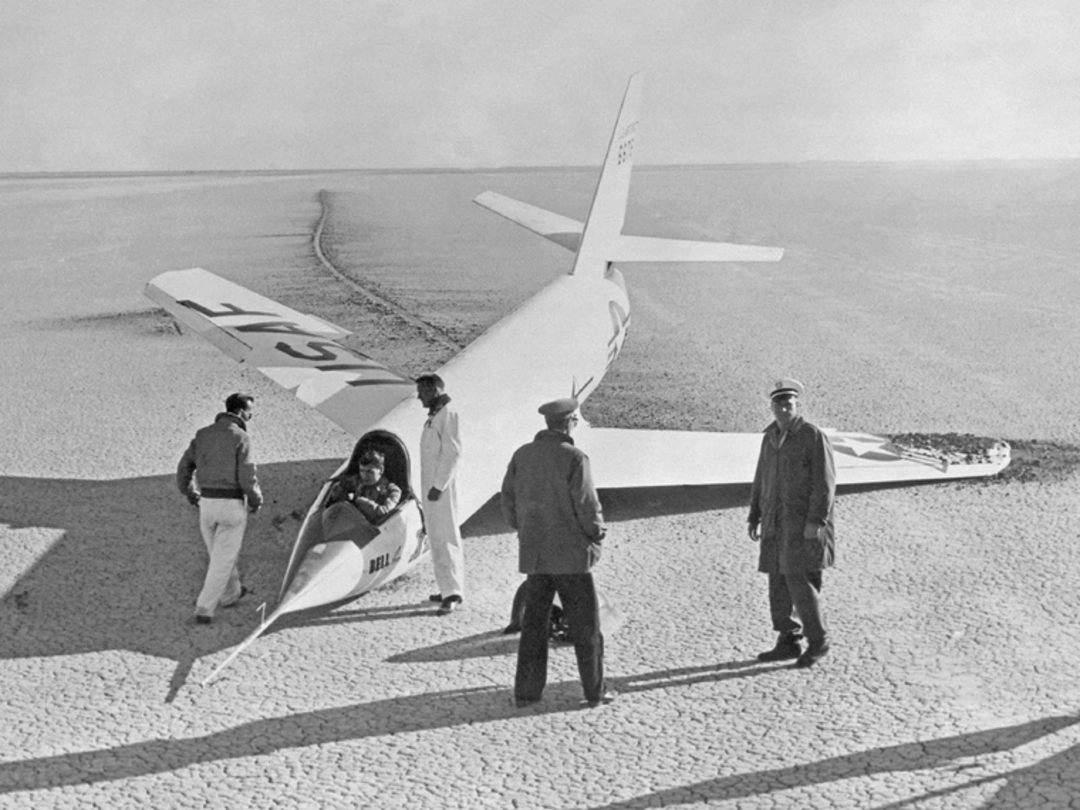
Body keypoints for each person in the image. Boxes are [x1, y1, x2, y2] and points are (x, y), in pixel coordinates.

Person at [500, 397, 615, 708]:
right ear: (569, 422)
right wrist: (596, 534)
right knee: (586, 628)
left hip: (535, 557)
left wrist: (525, 529)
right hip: (571, 558)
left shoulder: (522, 455)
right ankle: (595, 691)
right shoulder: (575, 458)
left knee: (534, 628)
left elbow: (507, 499)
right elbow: (587, 506)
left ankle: (526, 693)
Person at [747, 378, 836, 668]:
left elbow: (825, 483)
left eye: (789, 403)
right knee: (778, 581)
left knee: (800, 583)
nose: (783, 408)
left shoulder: (812, 436)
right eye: (778, 404)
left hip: (802, 525)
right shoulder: (770, 437)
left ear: (797, 405)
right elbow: (761, 477)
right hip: (775, 522)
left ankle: (819, 641)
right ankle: (788, 640)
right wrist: (755, 513)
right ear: (771, 406)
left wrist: (816, 520)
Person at [177, 393, 263, 625]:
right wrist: (255, 500)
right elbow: (247, 475)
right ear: (241, 412)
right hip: (231, 506)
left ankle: (231, 593)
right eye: (249, 411)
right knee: (221, 560)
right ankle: (204, 608)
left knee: (220, 554)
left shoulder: (203, 434)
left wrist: (190, 492)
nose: (251, 416)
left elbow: (184, 467)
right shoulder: (241, 436)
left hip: (207, 505)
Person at [416, 373, 464, 616]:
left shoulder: (448, 414)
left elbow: (452, 453)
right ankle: (445, 588)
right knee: (436, 538)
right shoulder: (434, 416)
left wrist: (439, 485)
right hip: (431, 489)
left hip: (440, 490)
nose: (419, 397)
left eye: (423, 392)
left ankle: (454, 592)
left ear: (435, 390)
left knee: (446, 536)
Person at [326, 450, 402, 522]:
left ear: (381, 470)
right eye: (362, 471)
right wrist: (340, 494)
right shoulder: (356, 481)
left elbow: (384, 512)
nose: (364, 476)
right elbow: (336, 488)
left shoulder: (393, 490)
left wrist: (357, 500)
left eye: (369, 472)